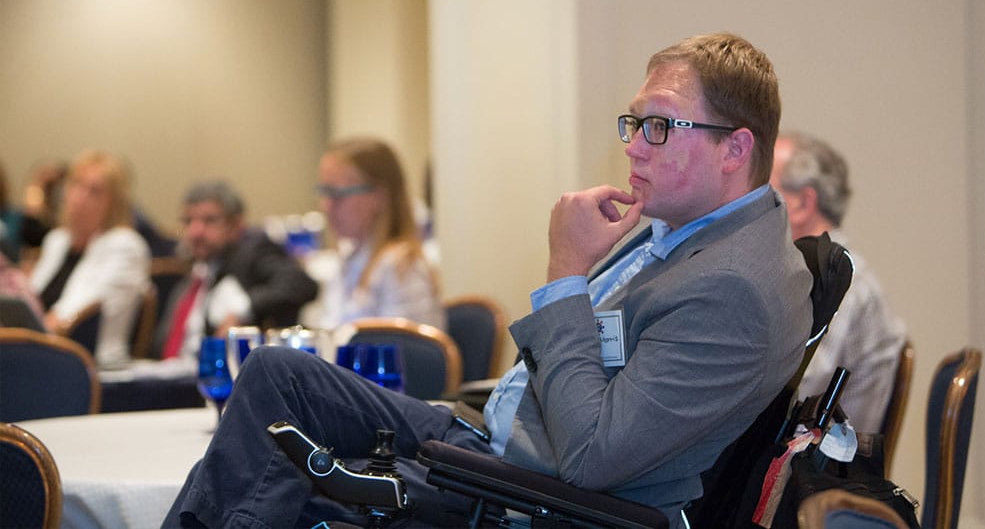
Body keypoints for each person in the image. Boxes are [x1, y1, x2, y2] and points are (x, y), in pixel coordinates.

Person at [163, 32, 812, 529]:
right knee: (278, 376)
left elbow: (591, 458)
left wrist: (566, 273)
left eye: (661, 126)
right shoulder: (690, 227)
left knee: (277, 478)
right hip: (495, 434)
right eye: (635, 122)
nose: (635, 145)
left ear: (735, 149)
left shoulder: (735, 287)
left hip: (533, 492)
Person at [770, 131, 906, 433]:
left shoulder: (844, 284)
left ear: (803, 203)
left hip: (818, 471)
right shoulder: (812, 275)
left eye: (762, 190)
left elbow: (795, 391)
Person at [152, 180, 319, 361]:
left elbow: (300, 284)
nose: (195, 231)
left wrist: (243, 308)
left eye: (210, 221)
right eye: (188, 221)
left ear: (236, 224)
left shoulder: (252, 253)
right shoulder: (194, 272)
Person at [304, 137, 443, 330]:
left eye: (336, 194)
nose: (325, 205)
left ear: (378, 196)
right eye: (323, 192)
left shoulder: (402, 267)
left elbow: (405, 355)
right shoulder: (348, 260)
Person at [29, 150, 150, 367]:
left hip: (93, 367)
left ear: (114, 204)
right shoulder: (57, 241)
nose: (80, 197)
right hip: (42, 354)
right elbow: (31, 304)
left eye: (94, 191)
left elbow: (71, 318)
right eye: (76, 185)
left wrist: (22, 332)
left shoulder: (125, 246)